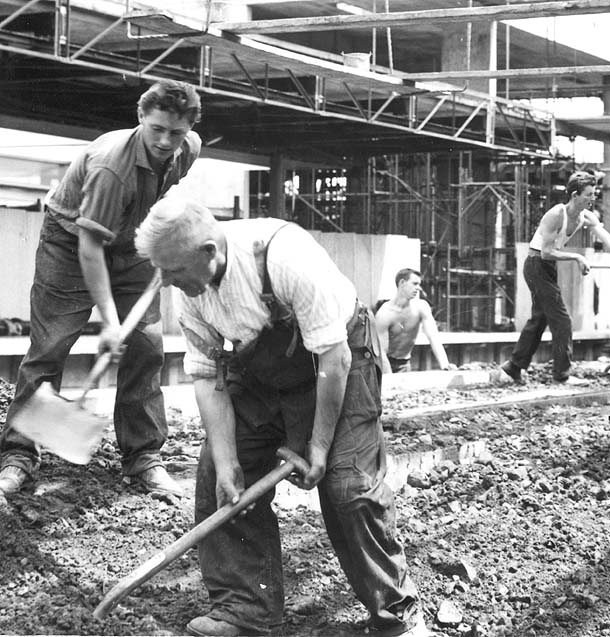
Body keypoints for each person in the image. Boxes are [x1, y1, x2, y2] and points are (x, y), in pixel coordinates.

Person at [134, 199, 427, 637]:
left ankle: (398, 617)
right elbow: (206, 376)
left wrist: (320, 447)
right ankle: (243, 609)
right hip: (265, 373)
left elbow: (335, 359)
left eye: (173, 270)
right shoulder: (190, 295)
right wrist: (229, 459)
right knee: (219, 472)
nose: (166, 282)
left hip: (338, 359)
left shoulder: (284, 256)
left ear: (208, 251)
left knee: (348, 486)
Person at [0, 80, 203, 499]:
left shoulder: (190, 148)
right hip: (70, 241)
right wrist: (110, 322)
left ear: (188, 130)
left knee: (147, 347)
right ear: (141, 118)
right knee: (51, 346)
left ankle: (144, 456)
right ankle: (18, 454)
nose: (165, 141)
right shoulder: (113, 166)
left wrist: (162, 243)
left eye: (176, 132)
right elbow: (89, 247)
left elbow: (161, 194)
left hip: (131, 241)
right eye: (157, 129)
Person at [500, 171, 610, 385]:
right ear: (575, 195)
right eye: (589, 194)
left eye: (594, 194)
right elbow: (546, 252)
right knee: (563, 321)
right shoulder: (556, 214)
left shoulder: (586, 216)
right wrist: (576, 256)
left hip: (547, 266)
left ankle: (513, 367)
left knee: (539, 319)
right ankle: (562, 375)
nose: (593, 199)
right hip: (536, 264)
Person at [375, 268, 455, 373]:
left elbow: (433, 337)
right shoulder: (384, 314)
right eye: (415, 284)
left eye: (419, 284)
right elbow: (381, 352)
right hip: (384, 364)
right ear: (402, 283)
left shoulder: (421, 307)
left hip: (405, 364)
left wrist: (445, 365)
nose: (419, 288)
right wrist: (389, 379)